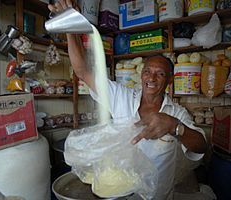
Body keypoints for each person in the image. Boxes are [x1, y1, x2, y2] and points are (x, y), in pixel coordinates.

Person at [48, 1, 207, 199]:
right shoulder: (121, 96)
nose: (151, 78)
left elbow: (201, 146)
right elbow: (82, 71)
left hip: (157, 195)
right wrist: (70, 27)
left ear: (170, 80)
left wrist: (175, 127)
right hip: (120, 194)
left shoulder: (176, 113)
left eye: (160, 74)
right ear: (141, 75)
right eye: (147, 71)